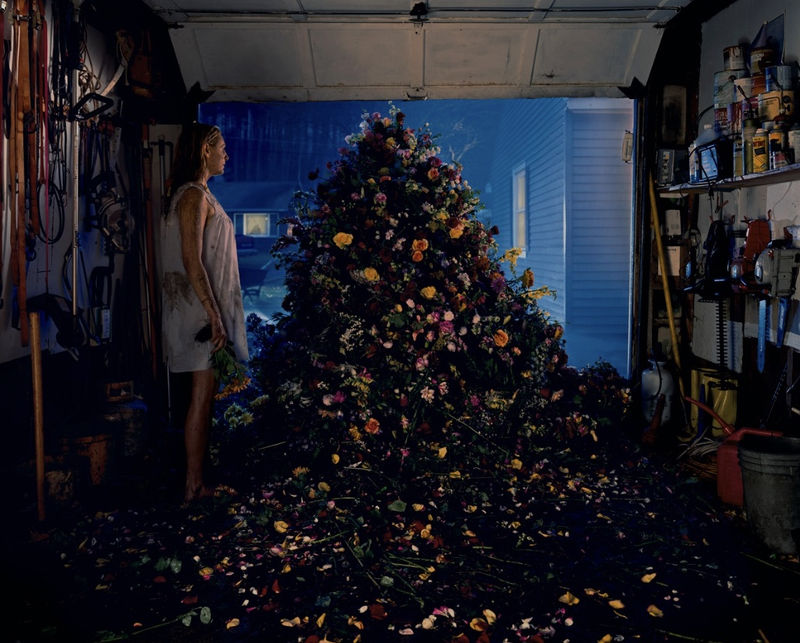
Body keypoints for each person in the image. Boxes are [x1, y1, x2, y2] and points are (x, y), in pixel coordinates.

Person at [160, 122, 248, 503]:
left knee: (205, 394)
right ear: (204, 151)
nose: (226, 155)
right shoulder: (193, 196)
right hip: (196, 312)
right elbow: (191, 260)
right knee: (201, 395)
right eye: (222, 148)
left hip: (200, 308)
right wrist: (213, 314)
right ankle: (194, 486)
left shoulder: (200, 194)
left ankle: (195, 482)